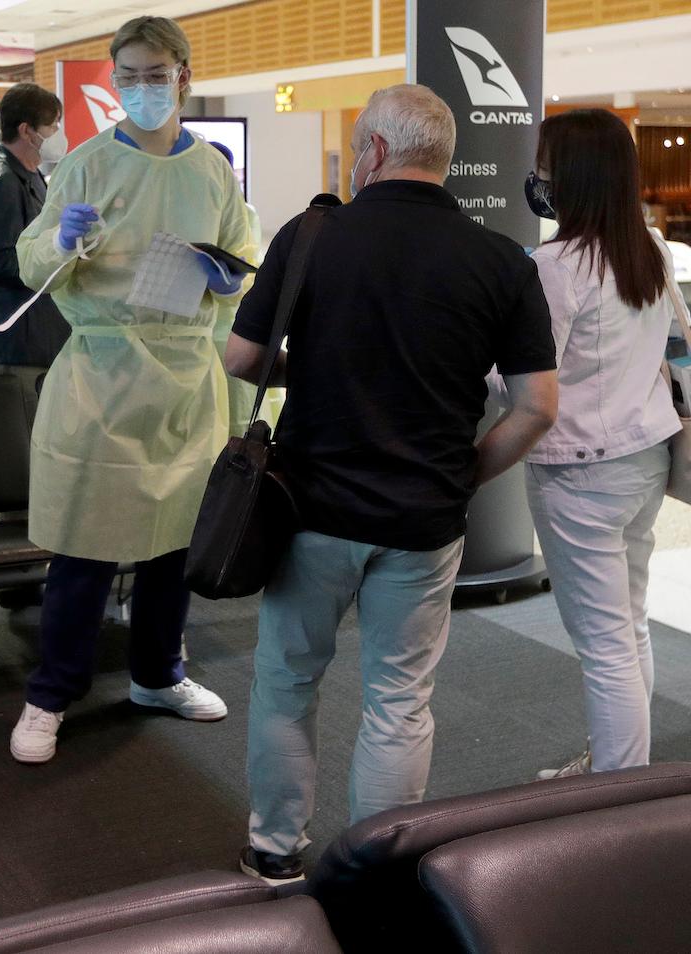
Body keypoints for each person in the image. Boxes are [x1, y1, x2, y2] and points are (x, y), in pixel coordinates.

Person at [224, 84, 559, 885]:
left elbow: (239, 360)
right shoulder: (501, 259)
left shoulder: (312, 239)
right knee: (400, 699)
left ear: (371, 152)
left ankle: (274, 850)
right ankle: (375, 867)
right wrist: (465, 472)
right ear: (443, 162)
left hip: (310, 508)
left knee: (287, 681)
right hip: (425, 521)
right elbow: (537, 407)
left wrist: (325, 370)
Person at [10, 16, 248, 764]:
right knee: (85, 547)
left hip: (184, 377)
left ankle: (158, 674)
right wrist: (61, 240)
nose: (146, 87)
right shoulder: (84, 165)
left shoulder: (211, 168)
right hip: (104, 377)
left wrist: (229, 274)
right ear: (115, 82)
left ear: (185, 76)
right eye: (132, 75)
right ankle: (51, 693)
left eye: (159, 72)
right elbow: (28, 260)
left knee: (174, 546)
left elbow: (242, 254)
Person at [523, 110, 683, 779]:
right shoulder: (648, 247)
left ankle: (615, 800)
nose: (538, 177)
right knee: (628, 625)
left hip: (580, 472)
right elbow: (678, 343)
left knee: (605, 643)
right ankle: (620, 771)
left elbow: (530, 380)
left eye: (547, 165)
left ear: (574, 177)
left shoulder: (553, 266)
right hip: (645, 460)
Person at [0, 82, 71, 429]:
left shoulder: (32, 177)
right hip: (17, 343)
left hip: (41, 336)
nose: (59, 134)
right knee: (26, 446)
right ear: (27, 130)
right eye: (53, 125)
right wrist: (57, 255)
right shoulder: (1, 184)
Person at [203, 138, 268, 436]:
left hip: (228, 330)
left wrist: (230, 287)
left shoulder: (244, 213)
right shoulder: (191, 211)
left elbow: (250, 267)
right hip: (198, 334)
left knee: (235, 426)